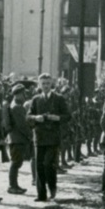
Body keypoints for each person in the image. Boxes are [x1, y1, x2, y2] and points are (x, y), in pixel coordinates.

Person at [28, 73, 69, 202]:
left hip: (53, 137)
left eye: (48, 83)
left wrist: (57, 118)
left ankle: (52, 187)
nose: (46, 86)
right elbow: (28, 116)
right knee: (39, 165)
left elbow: (68, 116)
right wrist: (36, 118)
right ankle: (41, 194)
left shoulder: (59, 99)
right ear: (39, 85)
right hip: (39, 137)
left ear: (52, 84)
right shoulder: (35, 99)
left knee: (49, 164)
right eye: (43, 84)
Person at [3, 83, 32, 194]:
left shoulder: (16, 105)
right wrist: (30, 135)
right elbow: (22, 125)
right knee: (15, 163)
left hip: (17, 138)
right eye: (23, 93)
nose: (24, 96)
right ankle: (12, 186)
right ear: (18, 94)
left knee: (17, 162)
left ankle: (14, 185)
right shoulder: (16, 107)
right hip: (17, 138)